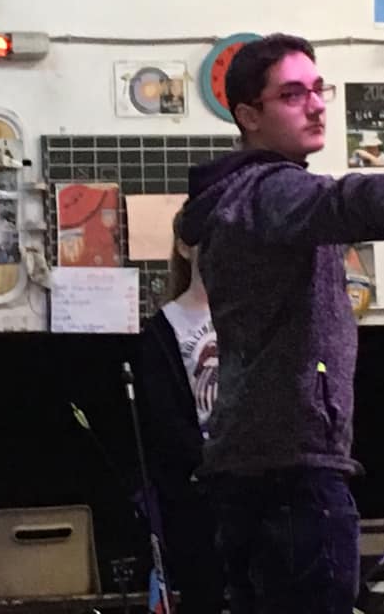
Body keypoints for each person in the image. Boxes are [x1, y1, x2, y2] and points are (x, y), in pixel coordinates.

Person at [176, 33, 384, 614]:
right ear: (248, 115)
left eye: (316, 89)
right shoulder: (267, 192)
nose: (315, 105)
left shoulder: (244, 196)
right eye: (291, 94)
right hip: (292, 476)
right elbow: (346, 201)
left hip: (257, 468)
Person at [133, 215, 225, 614]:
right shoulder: (162, 329)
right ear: (185, 248)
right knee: (204, 593)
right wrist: (207, 460)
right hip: (196, 493)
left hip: (250, 483)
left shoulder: (246, 316)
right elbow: (163, 417)